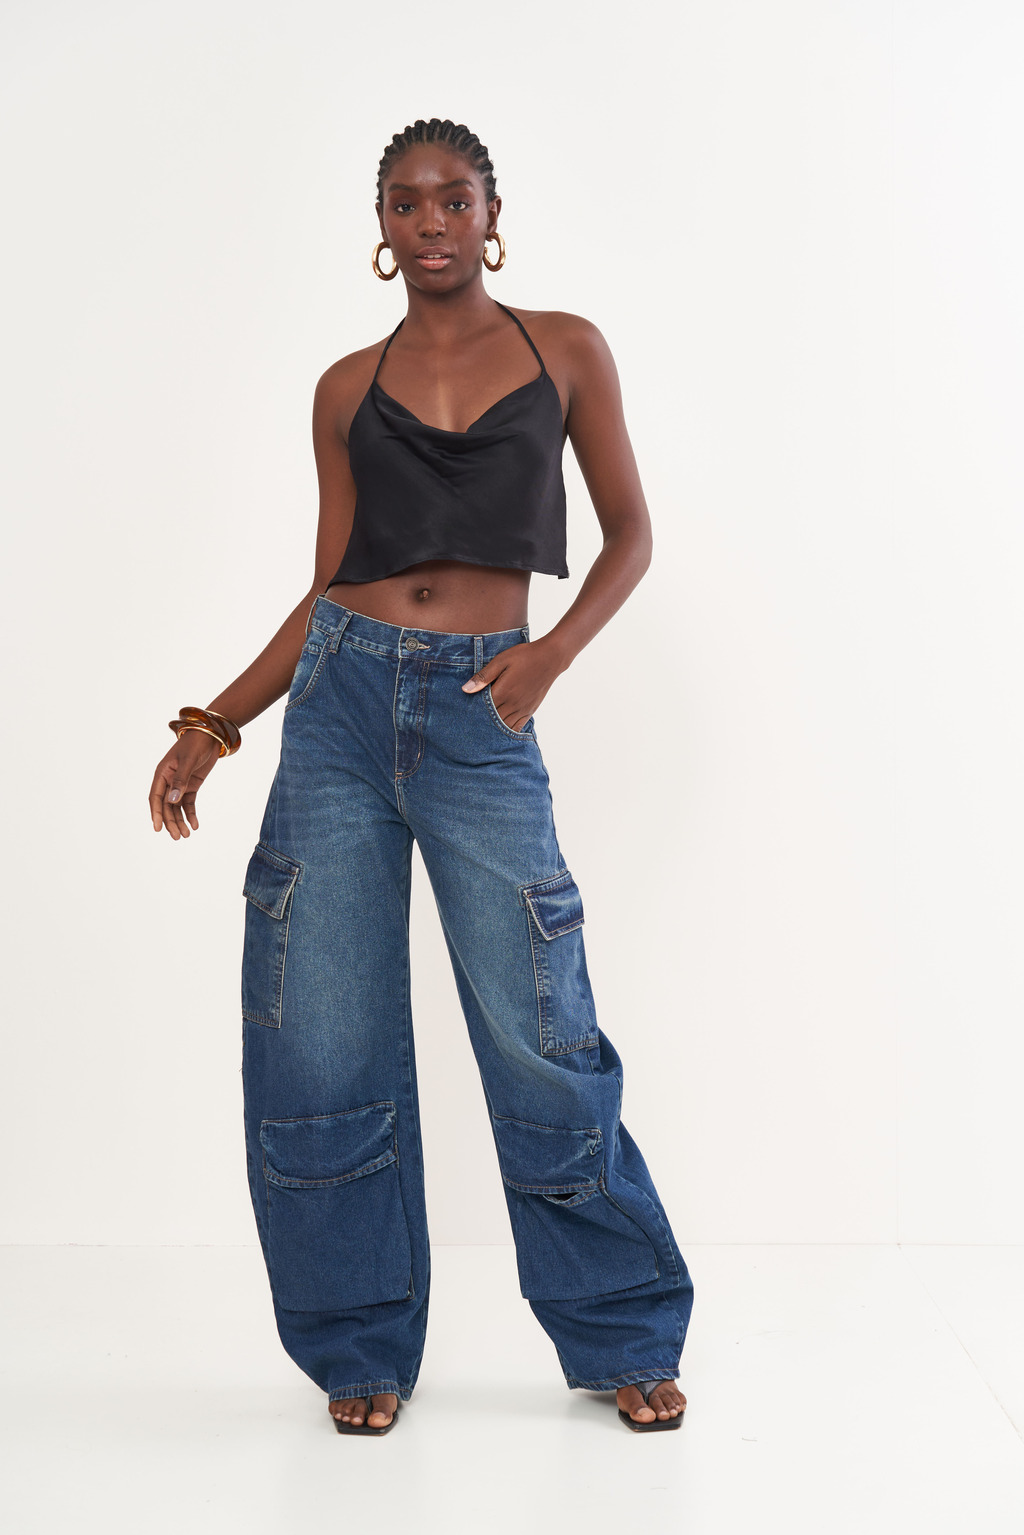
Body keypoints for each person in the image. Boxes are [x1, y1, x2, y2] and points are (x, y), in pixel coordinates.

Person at [149, 118, 693, 1436]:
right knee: (319, 1033)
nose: (432, 219)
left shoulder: (565, 350)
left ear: (492, 215)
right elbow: (330, 584)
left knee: (541, 1026)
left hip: (481, 706)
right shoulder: (347, 387)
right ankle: (359, 1345)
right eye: (406, 202)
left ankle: (622, 1329)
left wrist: (550, 656)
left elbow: (631, 533)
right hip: (338, 707)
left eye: (455, 198)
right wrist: (217, 723)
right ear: (382, 228)